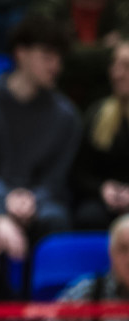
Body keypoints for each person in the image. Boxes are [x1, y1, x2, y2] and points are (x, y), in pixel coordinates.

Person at [0, 14, 80, 264]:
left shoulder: (66, 116)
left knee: (56, 220)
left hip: (43, 204)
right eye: (47, 57)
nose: (55, 67)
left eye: (59, 58)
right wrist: (5, 198)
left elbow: (57, 179)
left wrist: (33, 199)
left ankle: (49, 301)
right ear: (21, 54)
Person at [73, 39, 129, 232]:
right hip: (103, 201)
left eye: (126, 67)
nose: (117, 74)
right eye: (114, 65)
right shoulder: (97, 113)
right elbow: (79, 173)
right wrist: (102, 189)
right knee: (88, 216)